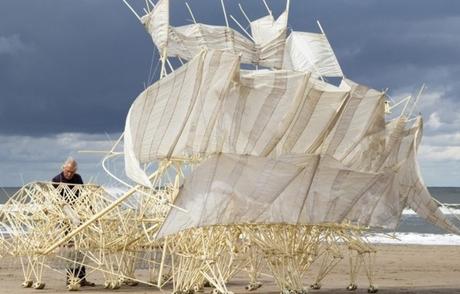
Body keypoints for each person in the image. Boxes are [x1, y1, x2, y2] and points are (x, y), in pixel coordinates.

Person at [52, 158, 95, 287]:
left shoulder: (78, 178)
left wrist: (92, 212)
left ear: (75, 171)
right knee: (71, 249)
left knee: (81, 248)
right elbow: (54, 200)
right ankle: (70, 279)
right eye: (67, 171)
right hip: (65, 218)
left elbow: (83, 196)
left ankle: (82, 278)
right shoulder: (56, 180)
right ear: (63, 168)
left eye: (72, 172)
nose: (69, 174)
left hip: (78, 217)